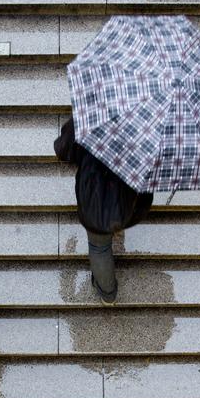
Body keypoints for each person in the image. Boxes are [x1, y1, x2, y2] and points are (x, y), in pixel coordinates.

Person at [54, 119, 153, 304]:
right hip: (129, 199)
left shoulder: (91, 118)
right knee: (116, 220)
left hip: (95, 201)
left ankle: (108, 293)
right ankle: (117, 225)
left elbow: (64, 149)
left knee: (99, 247)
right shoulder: (146, 126)